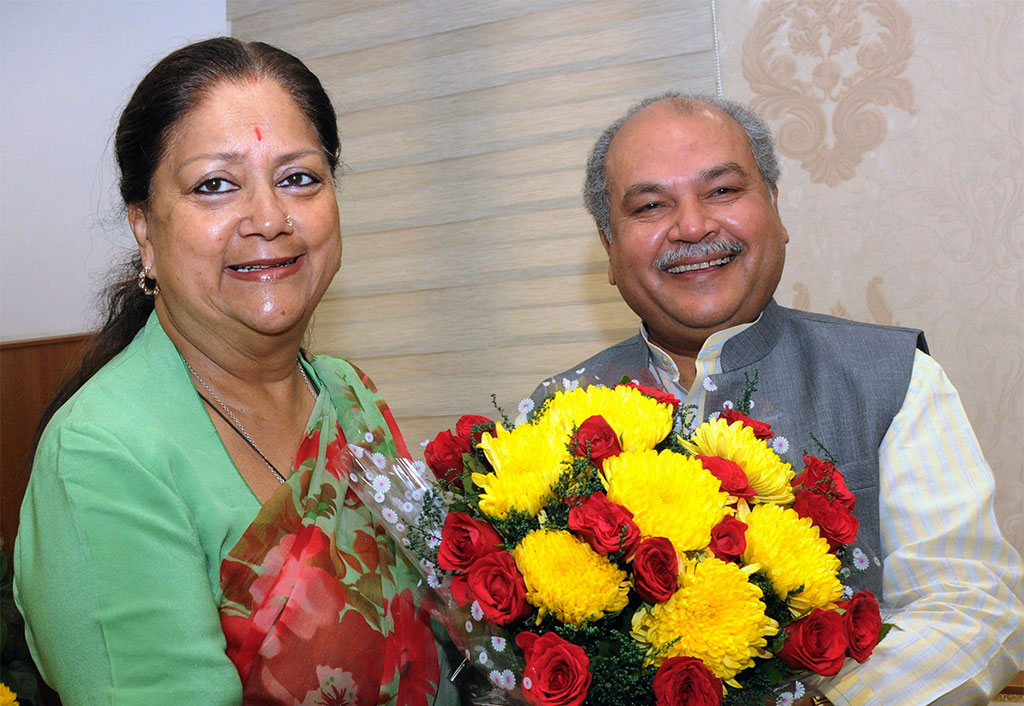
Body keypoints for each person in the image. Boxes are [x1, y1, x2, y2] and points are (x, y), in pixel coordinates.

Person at [530, 93, 1024, 704]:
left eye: (722, 191)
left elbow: (971, 606)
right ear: (609, 247)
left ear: (776, 210)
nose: (692, 227)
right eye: (651, 205)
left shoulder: (896, 380)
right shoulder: (554, 417)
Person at [15, 38, 458, 706]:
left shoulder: (348, 394)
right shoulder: (101, 457)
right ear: (145, 229)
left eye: (299, 178)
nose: (270, 219)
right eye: (215, 185)